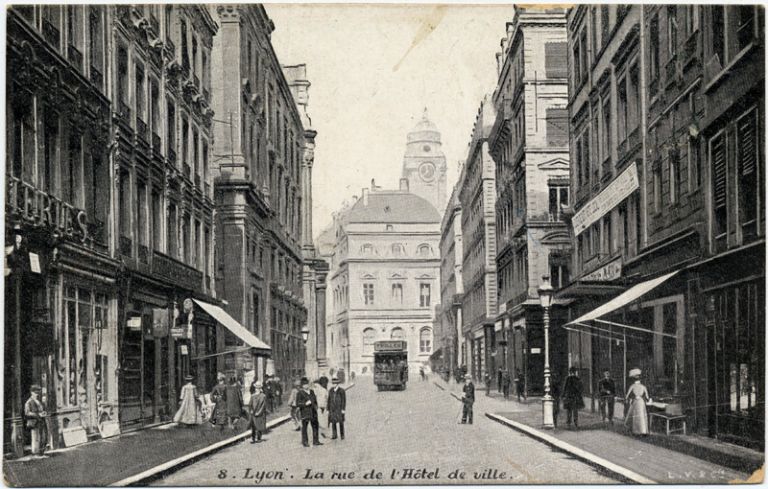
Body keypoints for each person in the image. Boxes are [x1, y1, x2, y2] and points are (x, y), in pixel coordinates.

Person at [296, 377, 322, 447]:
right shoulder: (300, 393)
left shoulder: (312, 391)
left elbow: (315, 400)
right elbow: (297, 403)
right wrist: (305, 404)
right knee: (304, 428)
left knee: (315, 426)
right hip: (305, 413)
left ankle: (316, 441)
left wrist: (316, 406)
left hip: (313, 412)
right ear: (302, 386)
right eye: (304, 385)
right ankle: (305, 442)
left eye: (307, 384)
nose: (306, 386)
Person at [625, 368, 651, 435]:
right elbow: (647, 397)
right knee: (641, 415)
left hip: (636, 402)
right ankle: (643, 430)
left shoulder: (632, 386)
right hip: (641, 402)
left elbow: (627, 395)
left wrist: (629, 398)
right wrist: (647, 399)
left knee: (636, 416)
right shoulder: (643, 386)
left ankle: (636, 430)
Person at [24, 385, 47, 455]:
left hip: (41, 421)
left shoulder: (38, 401)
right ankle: (35, 452)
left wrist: (43, 412)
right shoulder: (28, 402)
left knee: (42, 436)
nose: (37, 394)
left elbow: (41, 410)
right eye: (35, 393)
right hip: (34, 422)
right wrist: (37, 414)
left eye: (38, 393)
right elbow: (27, 413)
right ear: (31, 393)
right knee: (35, 437)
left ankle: (41, 451)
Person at [328, 376, 346, 440]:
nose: (334, 384)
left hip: (339, 408)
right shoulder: (331, 390)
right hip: (332, 409)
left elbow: (344, 400)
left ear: (337, 384)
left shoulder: (342, 391)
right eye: (333, 383)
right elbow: (329, 399)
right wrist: (328, 409)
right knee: (333, 422)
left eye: (335, 383)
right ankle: (334, 435)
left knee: (341, 422)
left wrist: (343, 409)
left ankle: (342, 435)